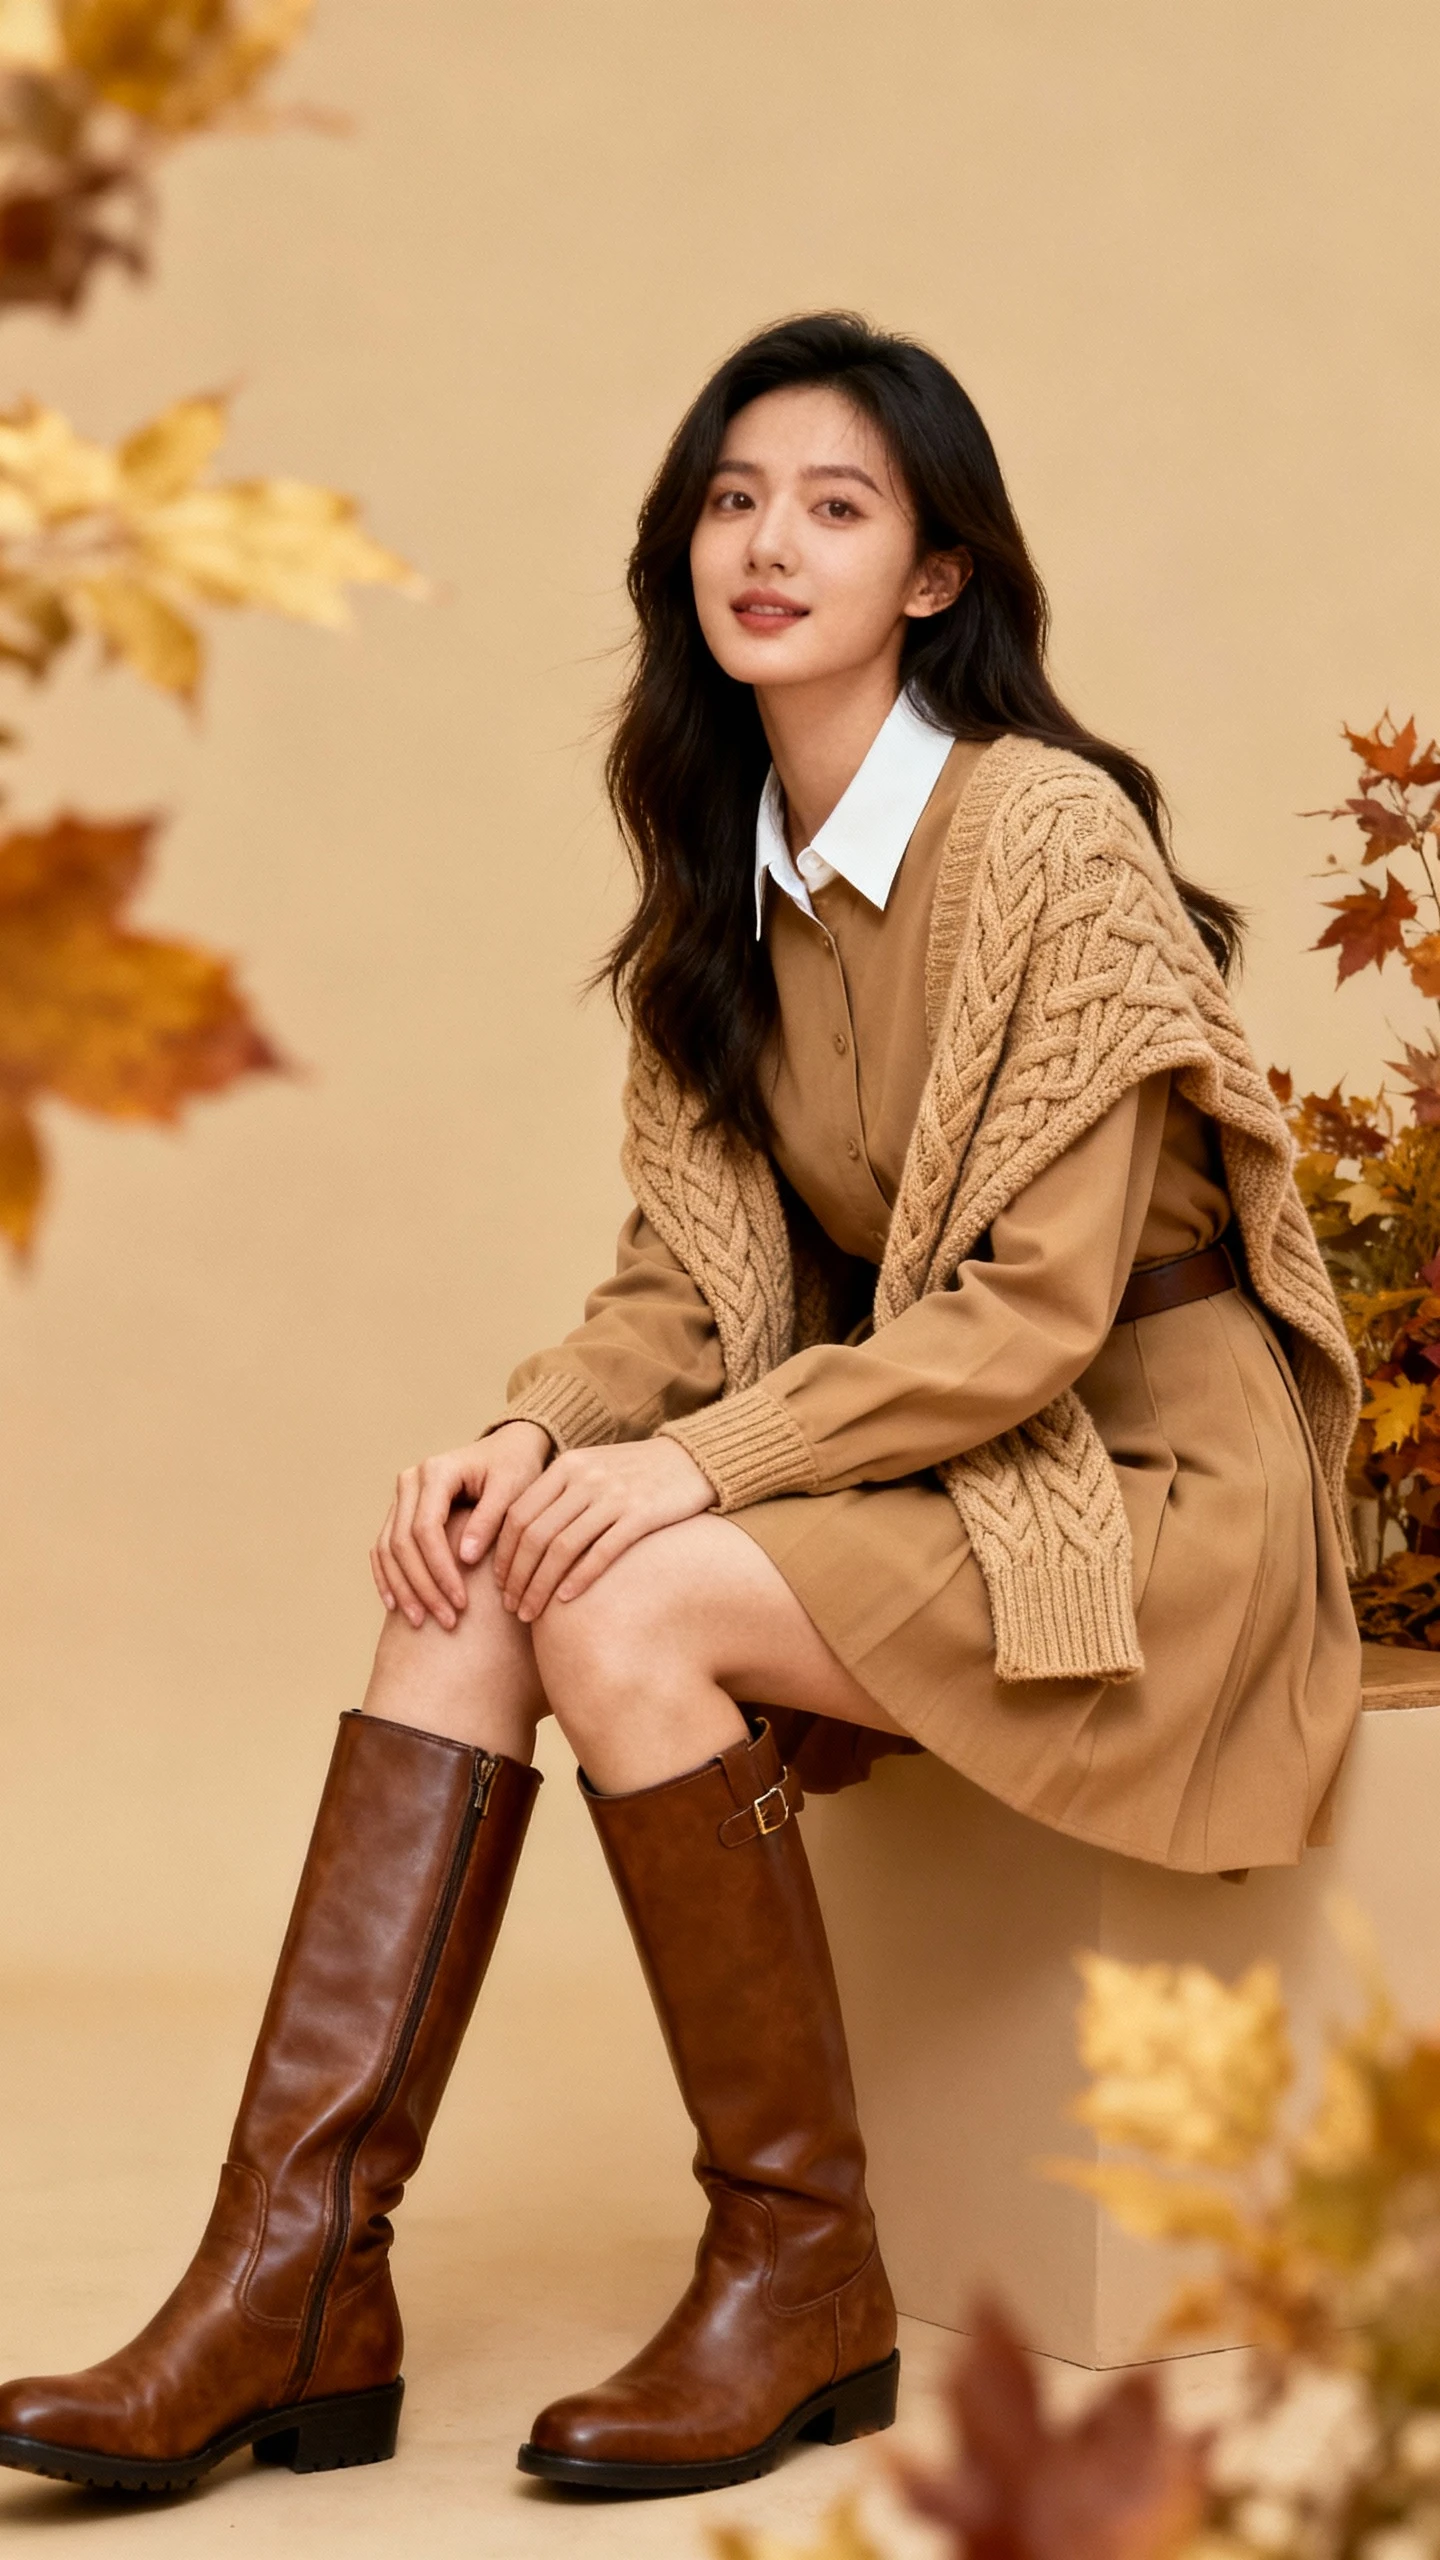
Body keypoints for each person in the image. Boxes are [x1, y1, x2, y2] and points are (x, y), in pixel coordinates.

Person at [0, 313, 1361, 2504]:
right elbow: (681, 1281)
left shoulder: (1044, 838)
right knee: (480, 1571)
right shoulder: (728, 868)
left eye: (836, 503)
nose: (768, 539)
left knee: (625, 1601)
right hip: (936, 1460)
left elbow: (1027, 1319)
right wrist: (532, 1435)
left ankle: (799, 2263)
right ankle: (291, 2276)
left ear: (936, 573)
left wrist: (685, 1467)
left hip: (1149, 1488)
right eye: (733, 496)